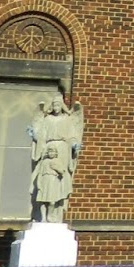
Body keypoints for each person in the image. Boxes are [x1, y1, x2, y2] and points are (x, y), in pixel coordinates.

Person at [28, 92, 84, 223]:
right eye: (54, 105)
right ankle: (42, 213)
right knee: (44, 178)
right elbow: (42, 136)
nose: (56, 107)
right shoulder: (47, 120)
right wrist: (34, 136)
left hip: (63, 150)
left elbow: (72, 137)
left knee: (59, 181)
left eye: (58, 104)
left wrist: (75, 145)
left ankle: (57, 213)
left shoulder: (67, 120)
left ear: (62, 106)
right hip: (48, 149)